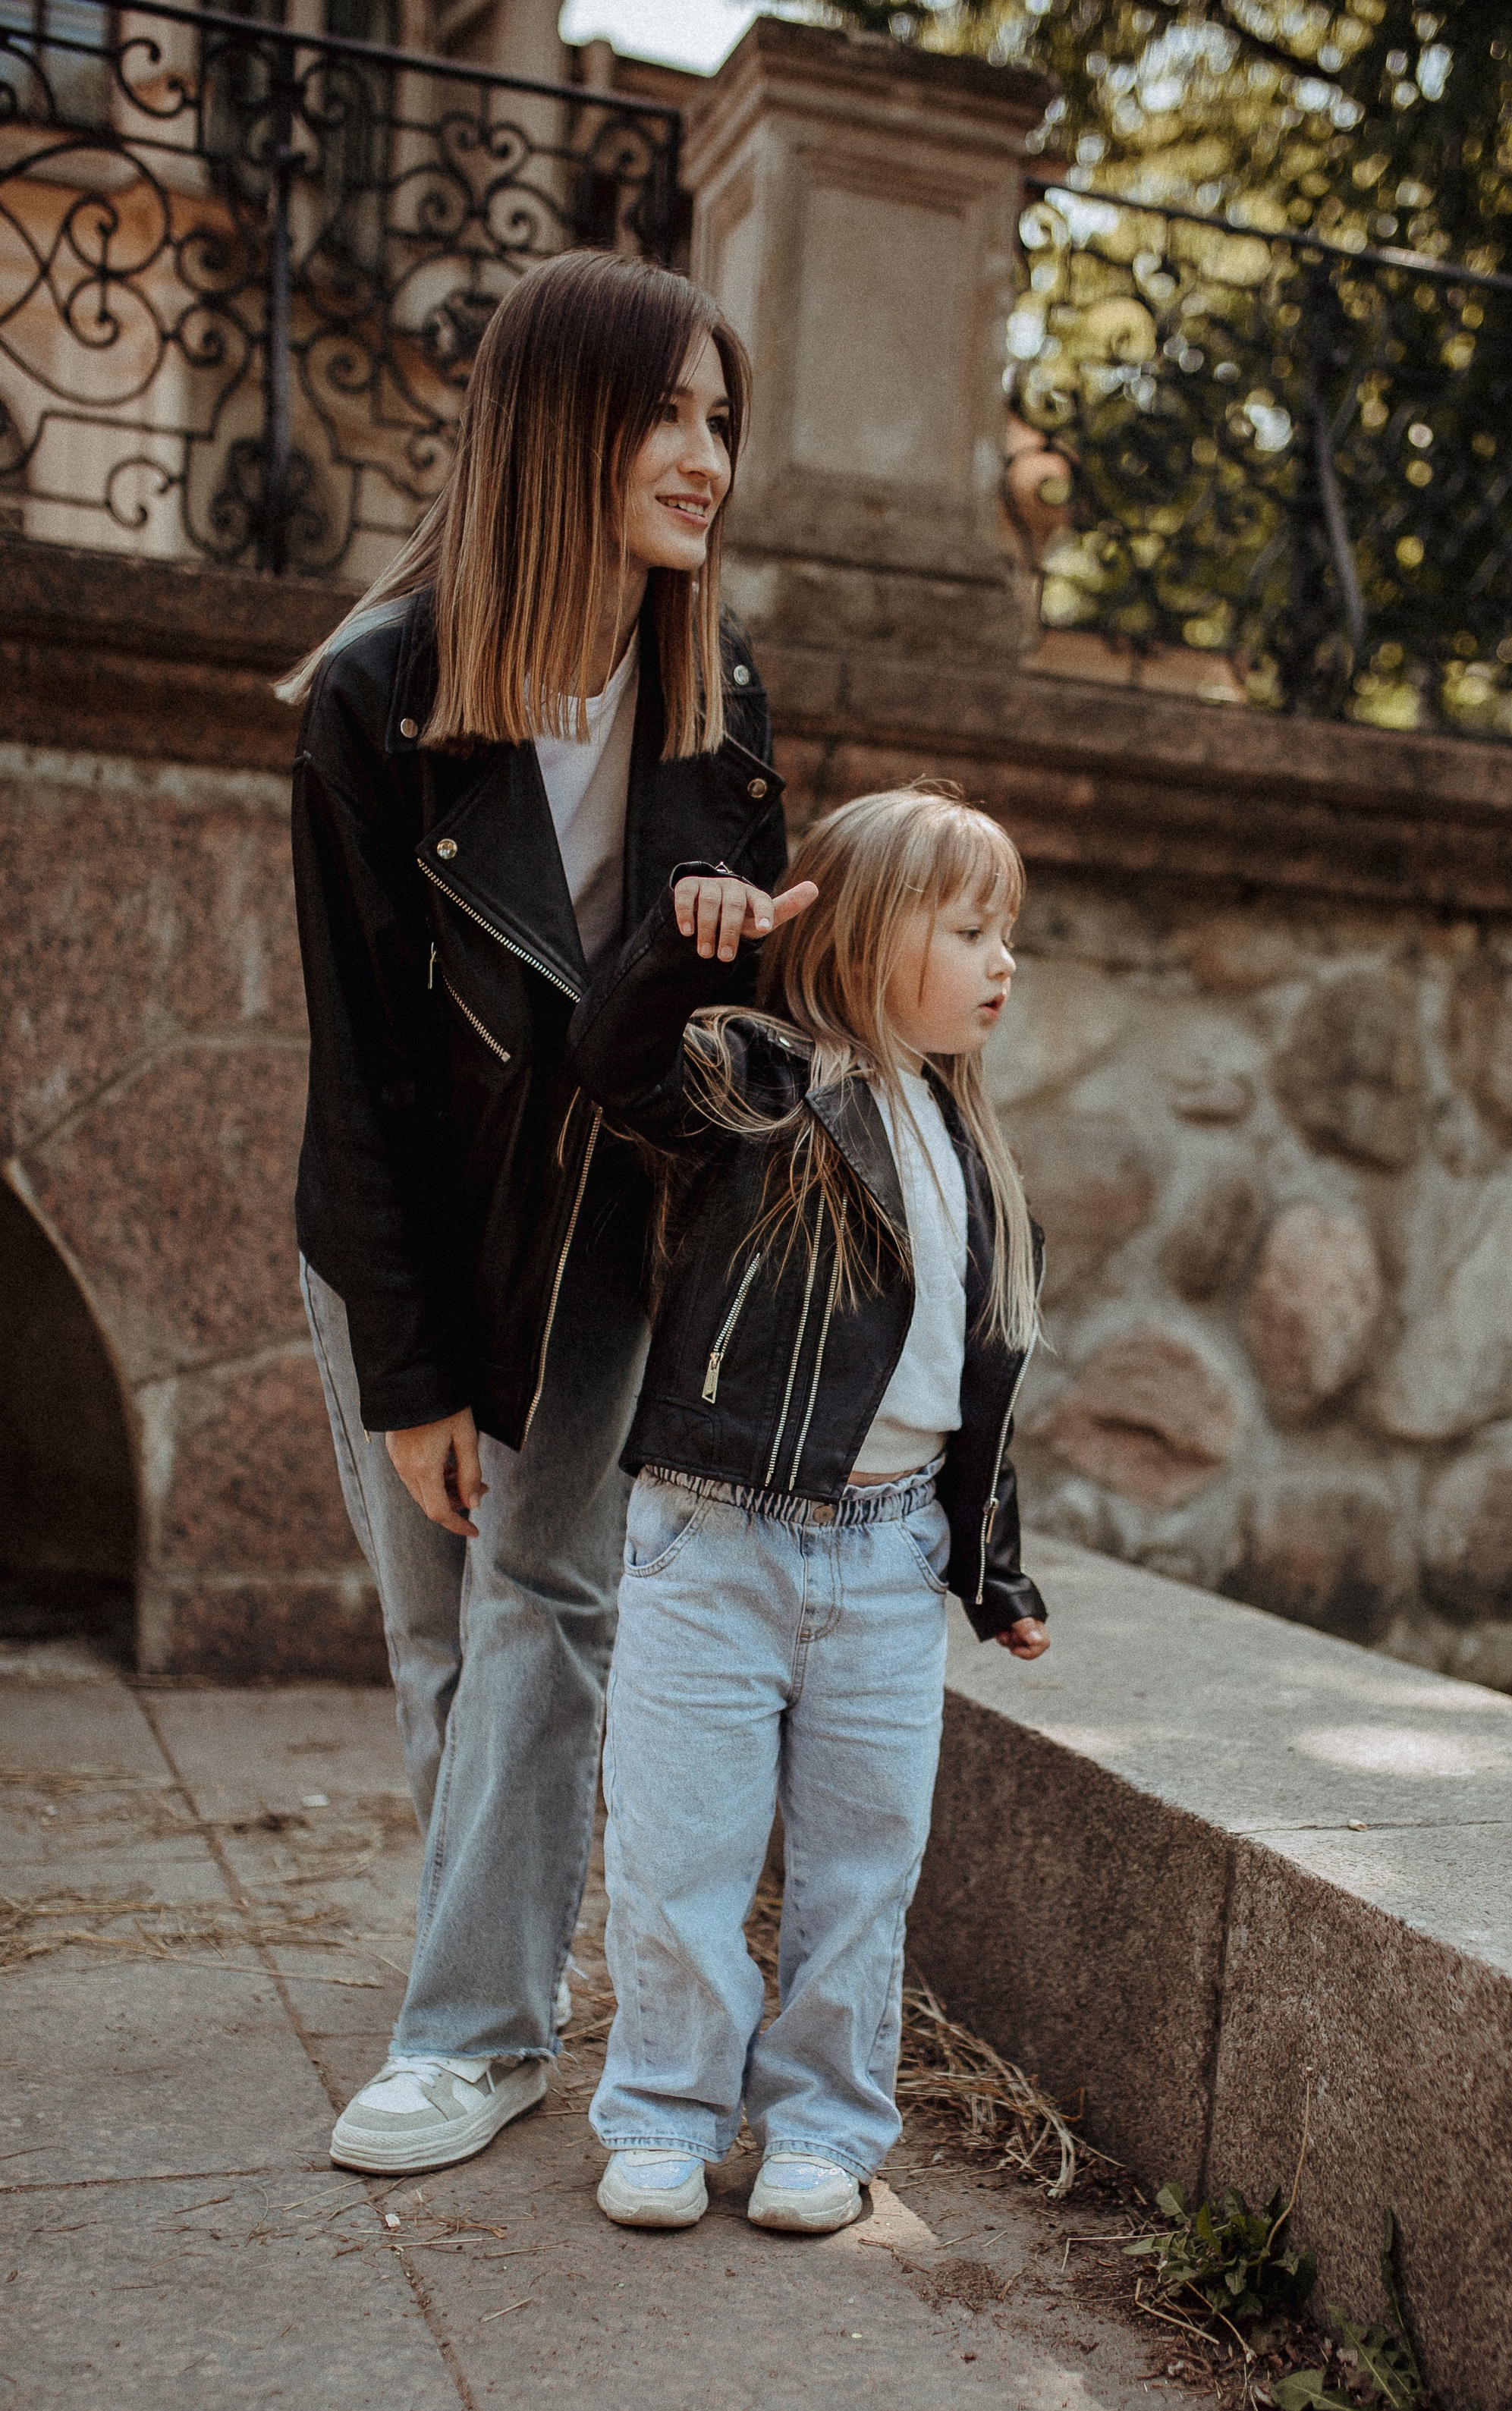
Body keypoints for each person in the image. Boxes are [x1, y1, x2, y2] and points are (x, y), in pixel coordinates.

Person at [281, 250, 812, 2177]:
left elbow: (715, 1052)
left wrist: (727, 965)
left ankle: (475, 2028)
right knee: (436, 1624)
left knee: (543, 1599)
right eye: (668, 414)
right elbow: (360, 1077)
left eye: (720, 421)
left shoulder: (714, 690)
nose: (705, 458)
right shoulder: (374, 701)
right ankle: (478, 1953)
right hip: (405, 1230)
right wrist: (414, 1372)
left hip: (607, 1215)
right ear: (562, 425)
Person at [563, 784, 1049, 2234]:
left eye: (1007, 933)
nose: (1002, 960)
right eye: (969, 930)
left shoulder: (974, 1150)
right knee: (681, 1852)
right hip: (716, 1536)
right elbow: (615, 1060)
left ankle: (826, 2125)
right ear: (866, 935)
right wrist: (682, 943)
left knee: (861, 1867)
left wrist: (995, 1573)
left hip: (891, 1559)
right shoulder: (764, 1078)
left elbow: (973, 1391)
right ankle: (662, 2108)